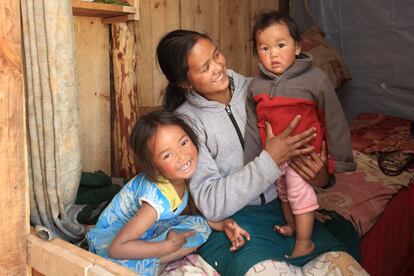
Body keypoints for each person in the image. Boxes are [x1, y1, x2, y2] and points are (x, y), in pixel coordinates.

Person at [156, 29, 348, 275]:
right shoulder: (185, 124)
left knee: (341, 266)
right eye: (205, 67)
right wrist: (270, 160)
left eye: (217, 55)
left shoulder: (261, 90)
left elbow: (308, 150)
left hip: (288, 210)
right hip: (237, 222)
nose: (218, 67)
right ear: (184, 82)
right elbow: (211, 204)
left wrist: (322, 176)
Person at [244, 11, 356, 258]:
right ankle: (293, 226)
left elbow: (334, 117)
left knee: (297, 190)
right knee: (283, 191)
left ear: (297, 47)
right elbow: (254, 125)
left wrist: (339, 160)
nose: (272, 54)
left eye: (280, 45)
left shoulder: (315, 79)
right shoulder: (256, 86)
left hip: (304, 153)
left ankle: (305, 242)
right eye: (264, 48)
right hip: (275, 155)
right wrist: (253, 160)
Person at [86, 111, 250, 276]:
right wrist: (167, 246)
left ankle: (154, 259)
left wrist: (222, 224)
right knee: (118, 269)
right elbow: (117, 249)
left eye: (184, 142)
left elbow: (193, 208)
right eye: (167, 155)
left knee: (199, 228)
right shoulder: (155, 200)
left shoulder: (180, 176)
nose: (182, 156)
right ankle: (154, 263)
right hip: (114, 239)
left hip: (144, 229)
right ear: (153, 167)